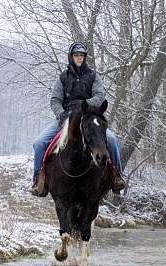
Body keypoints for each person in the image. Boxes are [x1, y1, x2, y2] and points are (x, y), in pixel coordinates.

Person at [31, 42, 126, 197]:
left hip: (89, 117)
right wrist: (61, 113)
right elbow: (55, 100)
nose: (79, 58)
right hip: (66, 118)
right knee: (39, 143)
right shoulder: (63, 77)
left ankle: (116, 175)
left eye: (81, 55)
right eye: (76, 55)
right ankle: (38, 180)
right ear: (71, 57)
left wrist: (84, 106)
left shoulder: (93, 76)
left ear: (85, 57)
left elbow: (99, 96)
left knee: (112, 140)